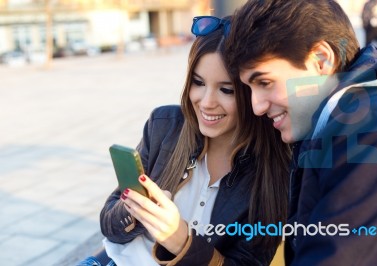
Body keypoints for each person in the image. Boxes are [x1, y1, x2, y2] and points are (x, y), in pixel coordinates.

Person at [78, 15, 290, 266]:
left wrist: (179, 240)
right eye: (198, 83)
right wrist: (135, 209)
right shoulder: (164, 125)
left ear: (252, 92)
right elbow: (109, 225)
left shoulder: (274, 170)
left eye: (226, 90)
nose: (207, 102)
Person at [224, 0, 377, 265]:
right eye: (250, 88)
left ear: (321, 60)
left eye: (265, 82)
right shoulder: (342, 121)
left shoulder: (375, 130)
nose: (257, 106)